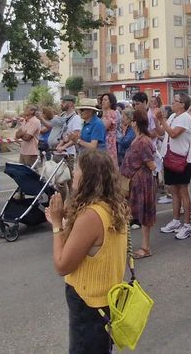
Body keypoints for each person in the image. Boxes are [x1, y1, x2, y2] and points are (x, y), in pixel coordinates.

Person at [48, 149, 130, 354]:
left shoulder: (91, 215)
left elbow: (62, 266)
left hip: (89, 303)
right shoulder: (112, 205)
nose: (73, 172)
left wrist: (57, 225)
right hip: (107, 299)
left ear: (89, 177)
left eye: (77, 169)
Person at [121, 107, 158, 259]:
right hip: (132, 181)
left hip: (141, 182)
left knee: (143, 215)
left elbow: (151, 163)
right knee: (130, 213)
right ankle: (129, 245)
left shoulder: (143, 141)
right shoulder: (138, 138)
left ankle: (145, 247)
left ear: (135, 123)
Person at [159, 94, 191, 240]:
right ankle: (175, 220)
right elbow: (162, 132)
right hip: (170, 157)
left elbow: (173, 134)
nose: (172, 103)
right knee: (174, 190)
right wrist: (158, 121)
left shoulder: (185, 117)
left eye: (175, 101)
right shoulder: (173, 116)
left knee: (183, 191)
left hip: (182, 160)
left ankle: (187, 225)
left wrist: (162, 119)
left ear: (183, 104)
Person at [99, 93, 120, 164]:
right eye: (102, 100)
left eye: (105, 100)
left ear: (111, 102)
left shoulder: (111, 113)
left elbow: (103, 127)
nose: (103, 101)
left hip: (109, 141)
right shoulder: (104, 113)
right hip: (103, 141)